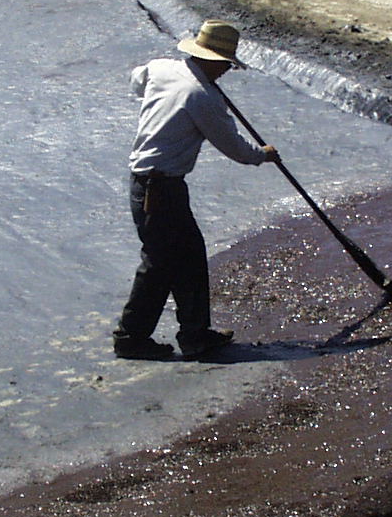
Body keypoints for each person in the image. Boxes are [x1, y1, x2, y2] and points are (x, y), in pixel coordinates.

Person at [113, 20, 280, 360]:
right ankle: (132, 338)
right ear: (215, 61)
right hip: (159, 188)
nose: (226, 72)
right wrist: (261, 156)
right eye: (225, 65)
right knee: (161, 262)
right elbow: (233, 147)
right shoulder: (202, 97)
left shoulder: (161, 68)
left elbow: (137, 78)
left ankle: (194, 334)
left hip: (151, 183)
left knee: (184, 257)